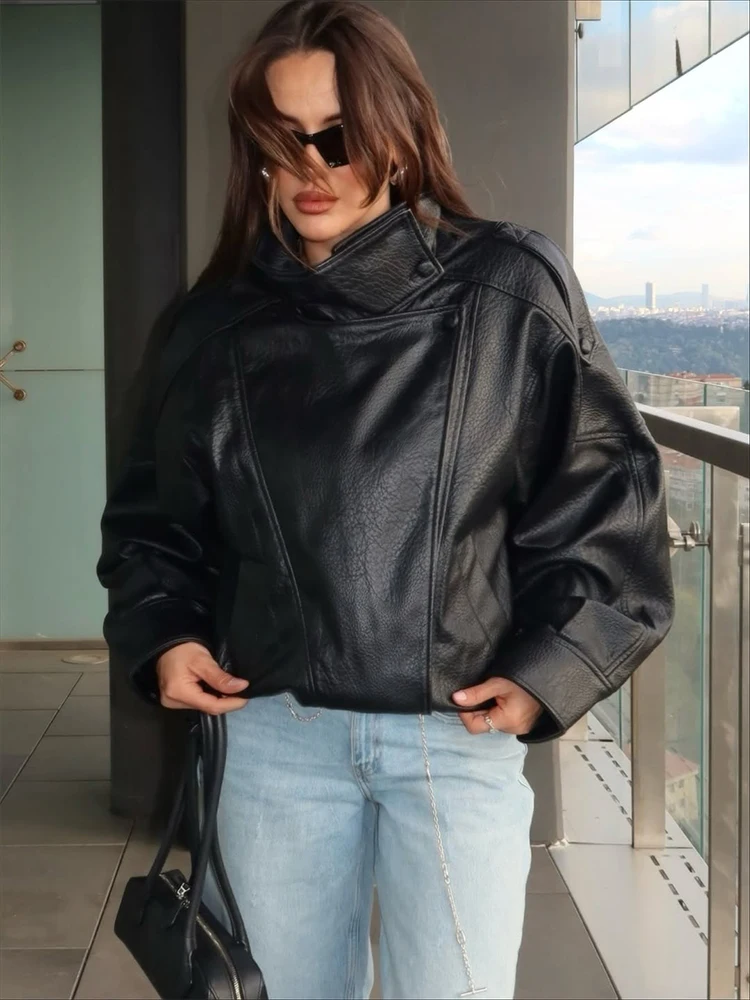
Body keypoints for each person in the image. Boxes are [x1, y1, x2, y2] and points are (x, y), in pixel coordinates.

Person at [97, 1, 674, 998]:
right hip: (273, 734)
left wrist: (548, 668)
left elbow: (608, 494)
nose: (310, 167)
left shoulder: (509, 289)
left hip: (453, 736)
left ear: (398, 133)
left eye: (338, 136)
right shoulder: (212, 327)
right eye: (282, 139)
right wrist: (165, 637)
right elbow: (154, 521)